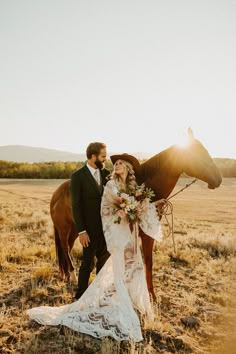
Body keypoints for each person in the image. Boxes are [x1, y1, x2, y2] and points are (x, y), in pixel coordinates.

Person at [26, 154, 163, 342]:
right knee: (118, 272)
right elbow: (110, 209)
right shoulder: (110, 186)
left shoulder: (132, 188)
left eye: (121, 163)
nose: (117, 165)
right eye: (115, 163)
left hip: (130, 236)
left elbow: (138, 208)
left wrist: (150, 205)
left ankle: (133, 303)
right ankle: (123, 312)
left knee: (135, 268)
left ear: (129, 168)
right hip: (117, 235)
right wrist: (128, 209)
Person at [69, 142, 110, 299]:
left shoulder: (107, 174)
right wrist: (81, 231)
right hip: (89, 231)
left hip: (106, 229)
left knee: (103, 264)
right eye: (103, 156)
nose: (105, 159)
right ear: (93, 157)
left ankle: (98, 295)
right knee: (87, 264)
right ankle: (80, 296)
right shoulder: (77, 177)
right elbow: (76, 206)